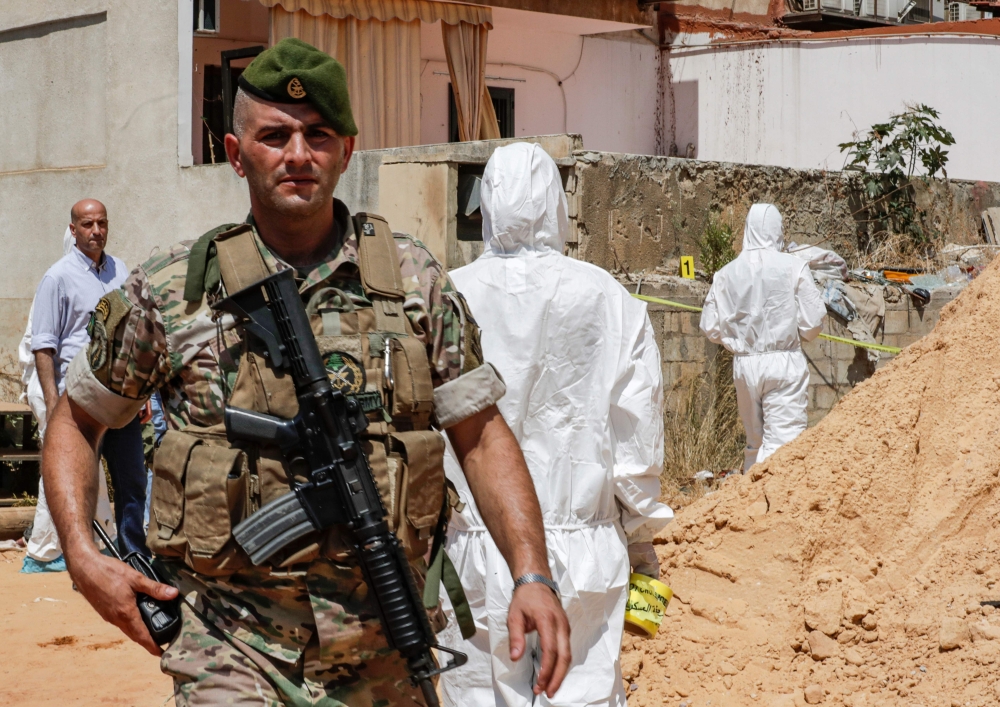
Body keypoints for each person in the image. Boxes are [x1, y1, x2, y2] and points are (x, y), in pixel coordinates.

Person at [42, 38, 570, 706]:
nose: (298, 154)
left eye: (318, 135)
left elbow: (481, 432)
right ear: (236, 155)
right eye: (275, 135)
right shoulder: (174, 290)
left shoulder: (414, 281)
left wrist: (533, 572)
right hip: (231, 648)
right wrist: (84, 556)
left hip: (385, 641)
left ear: (347, 149)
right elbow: (78, 417)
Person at [438, 143, 672, 707]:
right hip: (582, 552)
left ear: (487, 205)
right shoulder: (610, 299)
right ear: (555, 206)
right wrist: (641, 540)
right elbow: (636, 441)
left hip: (472, 548)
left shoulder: (445, 293)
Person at [700, 203, 827, 472]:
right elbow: (813, 321)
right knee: (784, 445)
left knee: (755, 443)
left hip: (745, 366)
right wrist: (796, 333)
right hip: (783, 363)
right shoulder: (794, 266)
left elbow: (710, 327)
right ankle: (776, 506)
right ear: (777, 230)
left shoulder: (725, 273)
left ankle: (749, 504)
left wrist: (739, 340)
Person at [19, 227, 116, 572]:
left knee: (85, 470)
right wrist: (53, 399)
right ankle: (47, 550)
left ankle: (92, 541)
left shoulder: (100, 279)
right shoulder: (54, 283)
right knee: (62, 469)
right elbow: (42, 349)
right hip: (55, 392)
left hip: (81, 392)